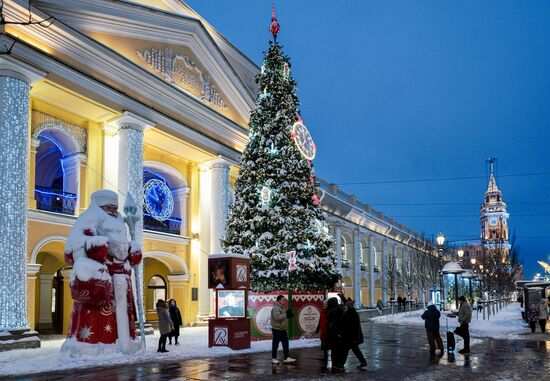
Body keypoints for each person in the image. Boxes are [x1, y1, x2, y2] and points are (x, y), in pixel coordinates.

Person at [61, 190, 142, 354]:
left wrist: (133, 252)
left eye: (115, 207)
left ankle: (125, 342)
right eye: (108, 207)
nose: (113, 210)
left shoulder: (120, 225)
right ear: (99, 206)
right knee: (97, 318)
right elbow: (70, 250)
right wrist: (92, 245)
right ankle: (96, 346)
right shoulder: (87, 220)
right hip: (102, 282)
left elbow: (124, 252)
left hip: (122, 281)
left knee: (123, 316)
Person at [342, 300, 367, 370]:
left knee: (346, 350)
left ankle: (342, 364)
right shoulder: (353, 313)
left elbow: (353, 327)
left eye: (347, 305)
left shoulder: (350, 314)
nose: (346, 306)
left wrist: (354, 338)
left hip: (350, 337)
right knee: (355, 350)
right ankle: (363, 361)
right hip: (352, 337)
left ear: (348, 306)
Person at [270, 295, 296, 364]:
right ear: (279, 300)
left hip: (282, 329)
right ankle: (274, 358)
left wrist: (288, 315)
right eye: (283, 300)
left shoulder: (282, 308)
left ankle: (286, 357)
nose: (284, 301)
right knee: (275, 345)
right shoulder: (276, 308)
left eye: (284, 300)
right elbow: (277, 317)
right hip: (277, 329)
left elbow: (283, 317)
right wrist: (286, 315)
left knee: (285, 343)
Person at [326, 297, 345, 371]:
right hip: (339, 331)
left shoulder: (330, 310)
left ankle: (335, 363)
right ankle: (339, 363)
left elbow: (328, 319)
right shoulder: (340, 308)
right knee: (339, 348)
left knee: (334, 349)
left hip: (332, 331)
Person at [316, 300, 329, 368]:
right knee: (324, 346)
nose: (324, 305)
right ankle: (325, 356)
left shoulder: (329, 311)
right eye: (323, 304)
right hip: (323, 330)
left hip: (327, 331)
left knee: (326, 345)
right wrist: (318, 328)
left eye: (325, 304)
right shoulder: (322, 311)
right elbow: (320, 320)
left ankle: (326, 358)